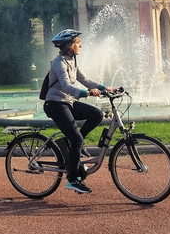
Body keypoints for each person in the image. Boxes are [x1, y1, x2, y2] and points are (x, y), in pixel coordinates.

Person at [43, 29, 116, 194]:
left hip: (67, 102)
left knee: (96, 114)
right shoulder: (59, 62)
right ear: (70, 45)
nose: (80, 45)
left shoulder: (72, 60)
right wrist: (87, 93)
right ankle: (72, 180)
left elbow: (85, 80)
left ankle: (74, 144)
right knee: (76, 140)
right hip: (55, 104)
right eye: (77, 42)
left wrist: (106, 88)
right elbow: (66, 86)